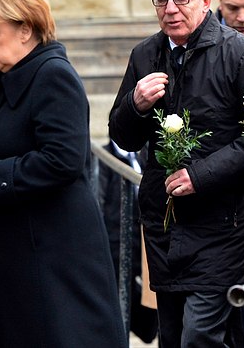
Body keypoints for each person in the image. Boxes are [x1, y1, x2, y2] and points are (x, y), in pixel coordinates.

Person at [108, 0, 244, 347]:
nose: (170, 8)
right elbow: (124, 137)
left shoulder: (243, 54)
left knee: (199, 335)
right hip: (165, 224)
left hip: (224, 221)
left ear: (205, 0)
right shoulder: (145, 55)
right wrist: (135, 105)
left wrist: (201, 176)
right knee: (175, 334)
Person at [0, 0, 127, 347]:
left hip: (52, 256)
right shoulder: (11, 78)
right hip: (20, 254)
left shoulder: (52, 76)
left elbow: (63, 159)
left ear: (25, 31)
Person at [98, 140, 159, 344]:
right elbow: (98, 200)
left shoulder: (143, 155)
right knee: (116, 306)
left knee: (147, 318)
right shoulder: (104, 157)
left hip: (140, 244)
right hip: (114, 246)